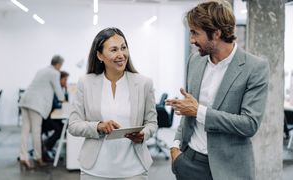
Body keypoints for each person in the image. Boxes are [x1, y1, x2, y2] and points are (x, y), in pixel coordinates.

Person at [165, 1, 269, 180]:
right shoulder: (195, 61)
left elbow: (250, 124)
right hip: (190, 161)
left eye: (195, 33)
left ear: (216, 33)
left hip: (231, 169)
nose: (191, 40)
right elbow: (188, 109)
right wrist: (175, 147)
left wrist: (199, 111)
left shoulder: (255, 68)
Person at [68, 27, 157, 180]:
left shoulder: (144, 83)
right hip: (94, 170)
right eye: (113, 50)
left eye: (123, 48)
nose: (121, 55)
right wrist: (97, 126)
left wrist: (143, 134)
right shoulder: (86, 83)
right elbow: (73, 125)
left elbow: (152, 123)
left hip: (133, 170)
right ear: (99, 55)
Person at [19, 55, 65, 169]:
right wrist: (64, 100)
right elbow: (58, 90)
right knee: (36, 131)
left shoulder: (41, 70)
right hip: (36, 104)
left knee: (25, 130)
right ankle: (38, 157)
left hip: (25, 100)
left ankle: (23, 157)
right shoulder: (55, 73)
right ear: (58, 65)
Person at [42, 71, 69, 161]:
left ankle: (48, 145)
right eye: (65, 79)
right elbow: (56, 105)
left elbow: (63, 100)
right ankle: (46, 146)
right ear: (59, 80)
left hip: (51, 116)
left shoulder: (59, 89)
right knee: (61, 129)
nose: (66, 82)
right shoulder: (53, 89)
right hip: (46, 118)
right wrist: (64, 104)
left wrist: (66, 90)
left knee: (64, 127)